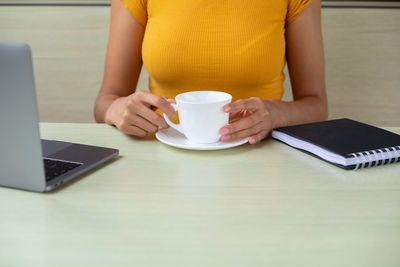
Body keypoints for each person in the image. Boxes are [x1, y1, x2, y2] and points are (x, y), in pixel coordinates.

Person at [94, 0, 328, 144]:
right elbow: (106, 101)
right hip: (164, 160)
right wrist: (117, 109)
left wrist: (277, 115)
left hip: (260, 158)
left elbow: (316, 106)